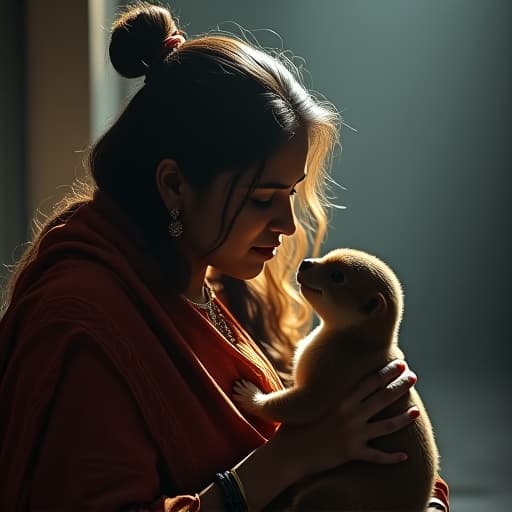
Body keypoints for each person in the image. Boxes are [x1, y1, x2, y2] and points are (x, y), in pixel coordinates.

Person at [0, 2, 450, 511]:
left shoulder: (209, 283)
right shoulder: (81, 323)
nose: (285, 224)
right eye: (262, 199)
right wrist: (287, 459)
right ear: (174, 184)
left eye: (291, 196)